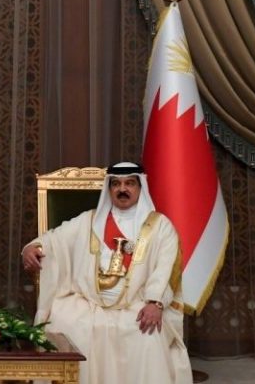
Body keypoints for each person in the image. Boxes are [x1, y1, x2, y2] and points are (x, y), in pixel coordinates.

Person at [22, 162, 192, 384]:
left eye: (130, 183)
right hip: (88, 302)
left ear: (140, 187)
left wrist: (155, 303)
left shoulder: (160, 226)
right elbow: (55, 239)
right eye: (116, 184)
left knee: (147, 335)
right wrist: (32, 247)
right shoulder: (89, 220)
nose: (123, 189)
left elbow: (165, 268)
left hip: (137, 303)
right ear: (109, 189)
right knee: (63, 324)